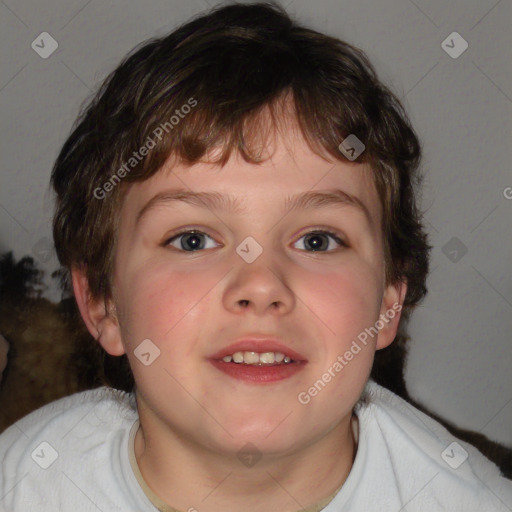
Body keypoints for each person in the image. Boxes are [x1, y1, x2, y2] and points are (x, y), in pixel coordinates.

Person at [0, 2, 510, 511]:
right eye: (193, 240)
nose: (261, 285)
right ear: (102, 303)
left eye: (317, 240)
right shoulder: (24, 484)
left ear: (388, 302)